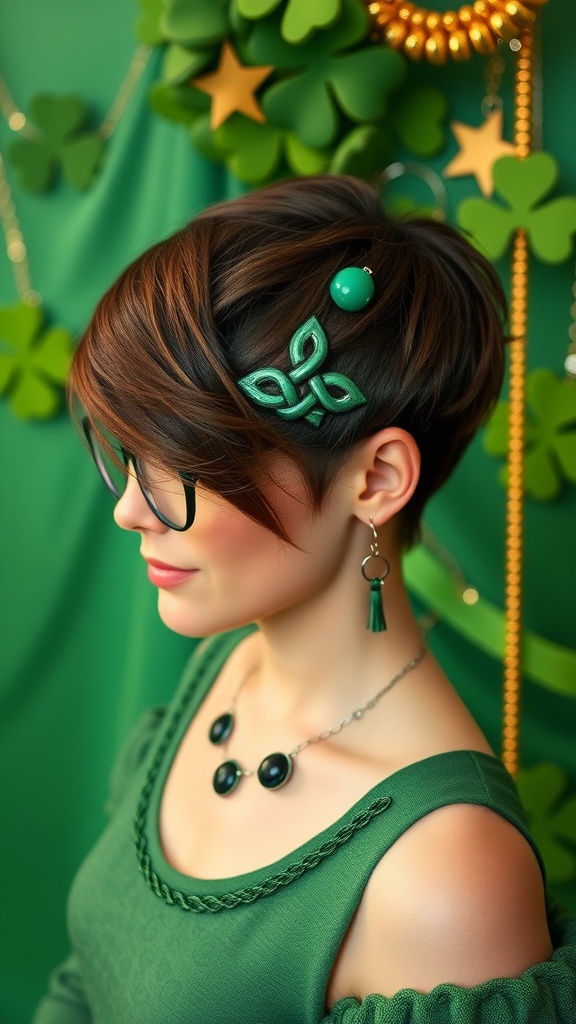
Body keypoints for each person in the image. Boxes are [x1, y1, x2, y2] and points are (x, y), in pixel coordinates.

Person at [34, 175, 575, 1023]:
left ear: (378, 479)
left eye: (188, 471)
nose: (130, 509)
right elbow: (88, 981)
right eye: (129, 454)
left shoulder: (442, 877)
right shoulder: (225, 667)